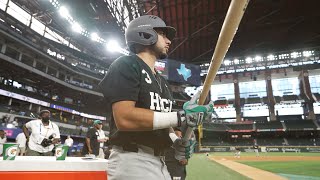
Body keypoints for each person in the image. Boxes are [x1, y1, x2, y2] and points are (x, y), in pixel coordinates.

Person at [99, 15, 214, 180]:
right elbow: (124, 118)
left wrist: (175, 141)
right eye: (163, 35)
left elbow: (163, 124)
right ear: (145, 34)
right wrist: (182, 117)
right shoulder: (126, 64)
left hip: (160, 162)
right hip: (132, 161)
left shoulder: (163, 82)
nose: (169, 41)